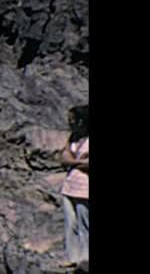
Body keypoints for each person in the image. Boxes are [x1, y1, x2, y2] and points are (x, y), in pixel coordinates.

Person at [60, 105, 89, 269]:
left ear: (82, 121)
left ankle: (86, 259)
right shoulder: (73, 138)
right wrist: (79, 161)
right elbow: (64, 158)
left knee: (85, 223)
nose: (69, 123)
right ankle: (73, 257)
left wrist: (73, 161)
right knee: (70, 223)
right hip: (70, 186)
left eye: (72, 120)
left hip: (85, 188)